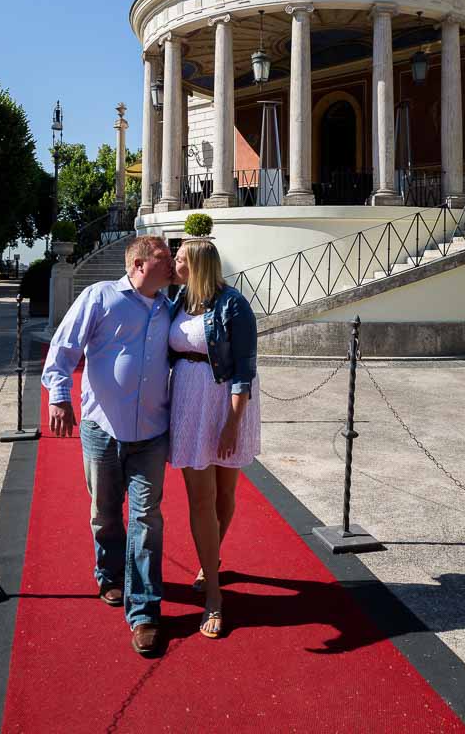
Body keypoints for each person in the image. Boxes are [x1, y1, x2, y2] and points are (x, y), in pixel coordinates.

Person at [41, 235, 173, 657]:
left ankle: (145, 612)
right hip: (102, 429)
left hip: (152, 432)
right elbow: (63, 348)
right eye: (164, 259)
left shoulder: (170, 307)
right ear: (138, 264)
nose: (172, 265)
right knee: (104, 512)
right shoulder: (99, 297)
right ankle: (109, 573)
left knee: (147, 519)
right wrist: (59, 396)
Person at [169, 238, 260, 638]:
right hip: (189, 403)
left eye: (180, 259)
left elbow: (245, 368)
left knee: (225, 493)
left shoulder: (234, 304)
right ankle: (215, 598)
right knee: (200, 499)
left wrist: (232, 423)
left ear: (198, 265)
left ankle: (211, 560)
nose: (174, 263)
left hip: (225, 401)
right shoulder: (176, 300)